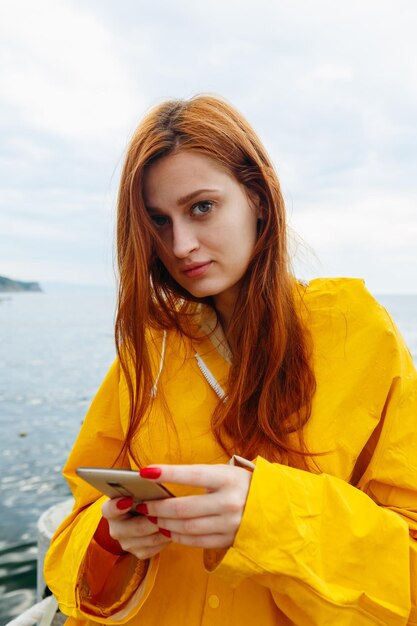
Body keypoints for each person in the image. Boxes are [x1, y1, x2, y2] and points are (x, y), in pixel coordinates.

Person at [44, 95, 417, 626]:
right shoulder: (150, 348)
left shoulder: (357, 332)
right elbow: (80, 523)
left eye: (201, 207)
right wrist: (112, 536)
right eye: (158, 220)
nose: (181, 245)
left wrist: (267, 516)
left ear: (258, 198)